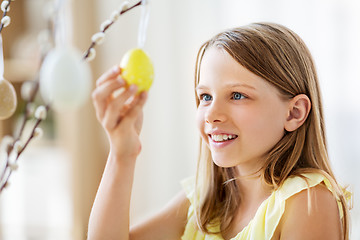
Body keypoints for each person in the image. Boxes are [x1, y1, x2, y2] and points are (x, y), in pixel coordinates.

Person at [88, 22, 351, 240]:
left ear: (294, 113)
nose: (212, 114)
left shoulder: (307, 200)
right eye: (205, 97)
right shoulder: (204, 204)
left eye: (237, 95)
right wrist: (122, 154)